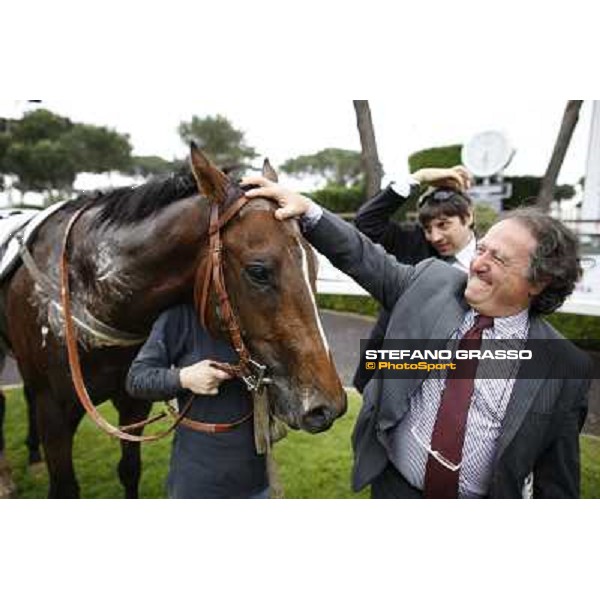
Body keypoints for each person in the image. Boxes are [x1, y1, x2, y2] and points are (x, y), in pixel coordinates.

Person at [242, 176, 592, 499]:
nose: (477, 263)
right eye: (481, 249)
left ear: (538, 281)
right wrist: (309, 210)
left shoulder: (564, 368)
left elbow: (557, 482)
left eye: (497, 258)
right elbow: (364, 256)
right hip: (395, 489)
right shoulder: (431, 282)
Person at [126, 304, 269, 499]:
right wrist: (184, 377)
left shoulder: (256, 314)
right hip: (198, 484)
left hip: (257, 482)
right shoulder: (181, 316)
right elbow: (136, 379)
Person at [353, 166, 476, 392]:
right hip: (388, 374)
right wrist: (418, 177)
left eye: (443, 225)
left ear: (467, 217)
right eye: (428, 228)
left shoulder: (489, 259)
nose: (435, 237)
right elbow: (366, 221)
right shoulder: (413, 246)